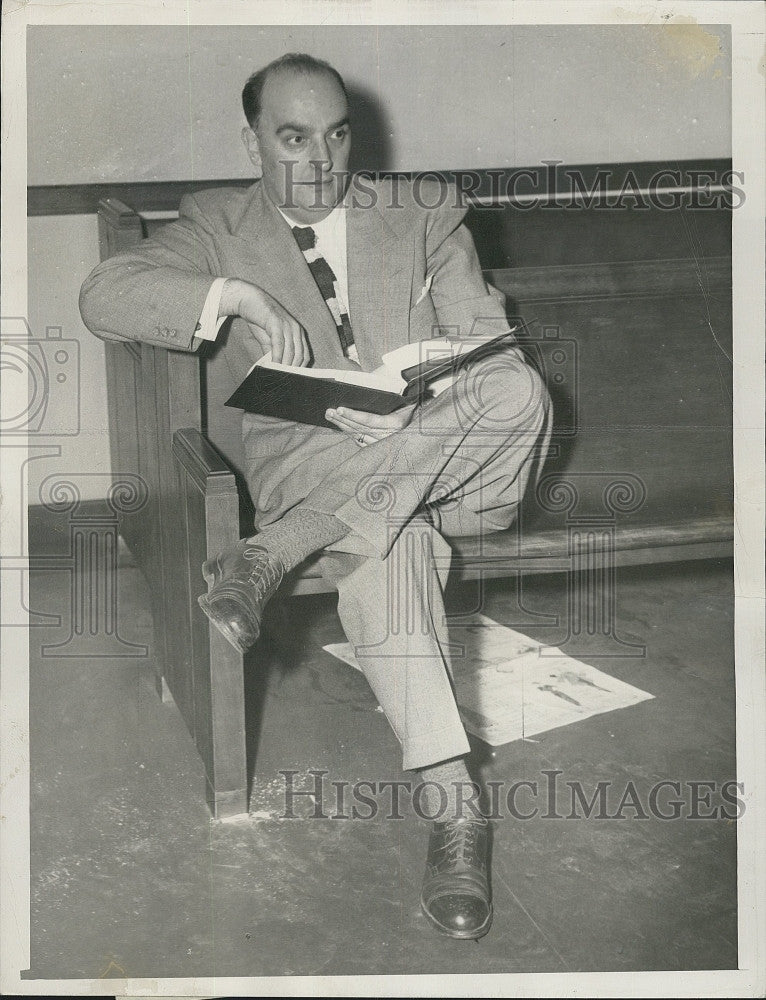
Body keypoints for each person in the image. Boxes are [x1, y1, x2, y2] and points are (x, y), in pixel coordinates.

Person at [79, 52, 551, 941]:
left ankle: (274, 550)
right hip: (319, 469)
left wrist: (428, 402)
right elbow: (105, 294)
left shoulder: (425, 214)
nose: (322, 161)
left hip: (460, 469)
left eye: (337, 135)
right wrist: (238, 296)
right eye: (293, 138)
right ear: (250, 139)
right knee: (390, 544)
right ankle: (456, 809)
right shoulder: (215, 224)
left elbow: (490, 347)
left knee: (520, 392)